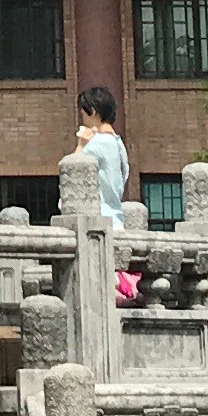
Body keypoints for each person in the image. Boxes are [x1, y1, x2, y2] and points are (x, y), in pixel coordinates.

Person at [69, 88, 139, 301]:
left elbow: (72, 172)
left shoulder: (95, 144)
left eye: (84, 113)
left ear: (93, 112)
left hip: (95, 223)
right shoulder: (119, 144)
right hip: (117, 221)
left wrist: (80, 145)